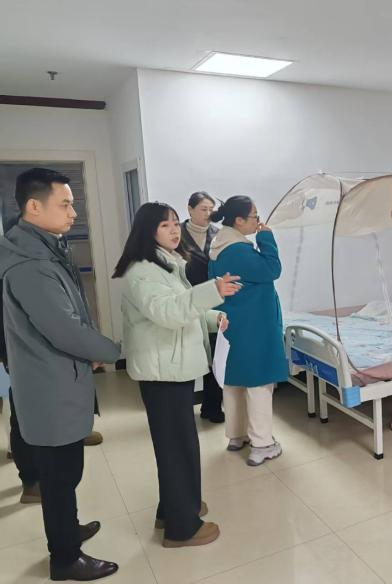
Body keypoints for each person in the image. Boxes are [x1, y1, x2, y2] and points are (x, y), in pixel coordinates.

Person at [0, 168, 121, 581]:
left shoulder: (44, 248)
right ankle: (65, 558)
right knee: (58, 476)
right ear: (34, 207)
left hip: (54, 379)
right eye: (65, 204)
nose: (73, 213)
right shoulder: (31, 264)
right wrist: (112, 351)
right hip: (48, 386)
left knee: (65, 473)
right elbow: (64, 329)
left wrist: (91, 350)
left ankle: (67, 530)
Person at [113, 202, 241, 548]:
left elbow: (181, 307)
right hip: (162, 373)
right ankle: (181, 528)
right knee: (176, 449)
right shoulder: (143, 271)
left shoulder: (165, 264)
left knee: (178, 445)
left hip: (171, 367)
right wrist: (213, 291)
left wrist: (213, 317)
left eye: (174, 224)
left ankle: (172, 509)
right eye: (165, 225)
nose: (174, 230)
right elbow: (168, 313)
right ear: (148, 231)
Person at [208, 196, 287, 466]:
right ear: (239, 220)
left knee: (235, 381)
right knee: (259, 382)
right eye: (254, 216)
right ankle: (262, 444)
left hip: (234, 323)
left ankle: (236, 435)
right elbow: (272, 269)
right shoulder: (239, 251)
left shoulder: (219, 247)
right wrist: (267, 238)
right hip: (255, 325)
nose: (257, 221)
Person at [180, 191, 224, 423]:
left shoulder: (218, 234)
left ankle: (212, 407)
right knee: (188, 353)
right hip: (186, 301)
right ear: (190, 209)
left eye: (210, 209)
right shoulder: (177, 234)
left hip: (213, 301)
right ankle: (182, 411)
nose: (208, 213)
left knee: (215, 354)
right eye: (203, 209)